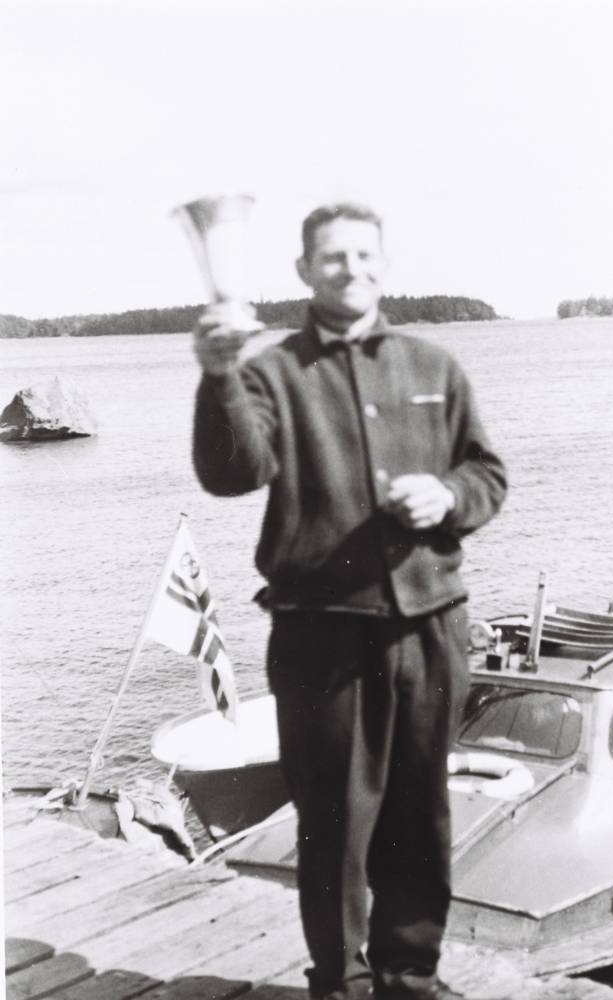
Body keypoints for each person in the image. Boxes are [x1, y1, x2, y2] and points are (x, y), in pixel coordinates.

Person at [192, 203, 507, 1000]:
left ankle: (409, 974)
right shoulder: (269, 372)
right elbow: (230, 474)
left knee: (421, 811)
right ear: (304, 270)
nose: (351, 268)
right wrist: (219, 375)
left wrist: (448, 495)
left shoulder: (435, 366)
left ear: (385, 264)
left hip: (432, 626)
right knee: (333, 821)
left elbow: (487, 475)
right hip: (321, 637)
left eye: (365, 254)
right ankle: (340, 983)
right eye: (333, 257)